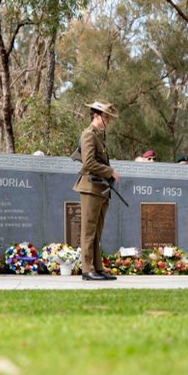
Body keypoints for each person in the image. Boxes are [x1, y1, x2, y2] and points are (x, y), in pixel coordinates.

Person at [73, 100, 121, 281]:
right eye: (106, 117)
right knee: (89, 230)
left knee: (97, 231)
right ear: (96, 115)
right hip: (91, 188)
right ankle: (87, 270)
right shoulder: (88, 135)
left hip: (100, 188)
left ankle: (97, 267)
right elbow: (89, 163)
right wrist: (110, 172)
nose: (108, 120)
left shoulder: (98, 137)